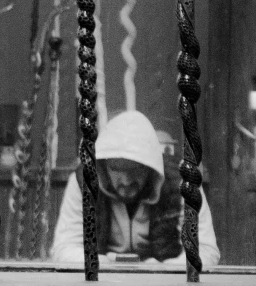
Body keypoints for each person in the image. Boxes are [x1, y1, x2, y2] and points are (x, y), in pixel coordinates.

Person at [49, 108, 216, 265]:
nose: (127, 181)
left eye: (135, 169)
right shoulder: (83, 182)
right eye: (116, 169)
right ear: (103, 167)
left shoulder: (182, 182)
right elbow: (64, 248)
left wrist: (163, 270)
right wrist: (103, 265)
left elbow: (206, 251)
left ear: (151, 168)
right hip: (102, 284)